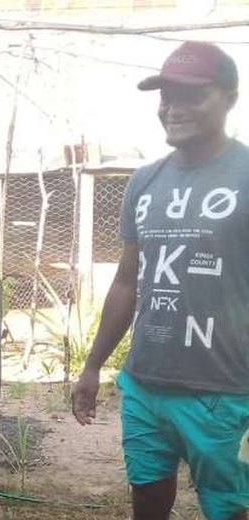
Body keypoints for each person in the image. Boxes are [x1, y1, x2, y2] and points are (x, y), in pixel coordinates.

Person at [72, 41, 249, 520]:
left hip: (224, 391)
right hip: (145, 384)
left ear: (231, 97)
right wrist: (93, 366)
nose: (173, 107)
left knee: (227, 508)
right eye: (167, 95)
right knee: (147, 501)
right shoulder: (144, 183)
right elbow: (128, 282)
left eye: (193, 95)